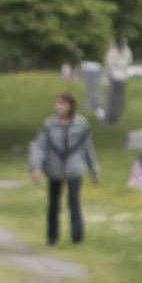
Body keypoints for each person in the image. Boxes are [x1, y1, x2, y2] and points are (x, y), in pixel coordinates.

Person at [31, 86, 97, 245]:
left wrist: (94, 170)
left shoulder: (81, 125)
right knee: (53, 204)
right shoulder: (49, 125)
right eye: (57, 104)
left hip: (74, 169)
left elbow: (88, 148)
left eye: (61, 104)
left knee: (73, 202)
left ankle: (77, 236)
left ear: (69, 106)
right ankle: (52, 238)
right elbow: (40, 147)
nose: (58, 107)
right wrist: (36, 167)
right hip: (54, 169)